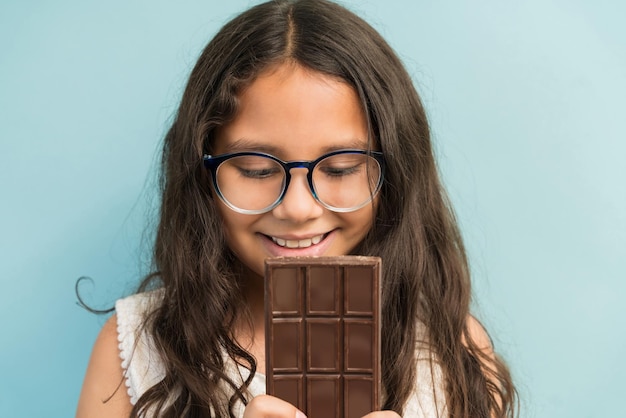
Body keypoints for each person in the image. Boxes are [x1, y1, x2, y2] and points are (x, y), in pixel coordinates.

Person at [76, 0, 517, 417]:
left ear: (394, 173)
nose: (299, 208)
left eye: (341, 168)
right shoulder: (134, 350)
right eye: (254, 169)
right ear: (202, 173)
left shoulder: (453, 350)